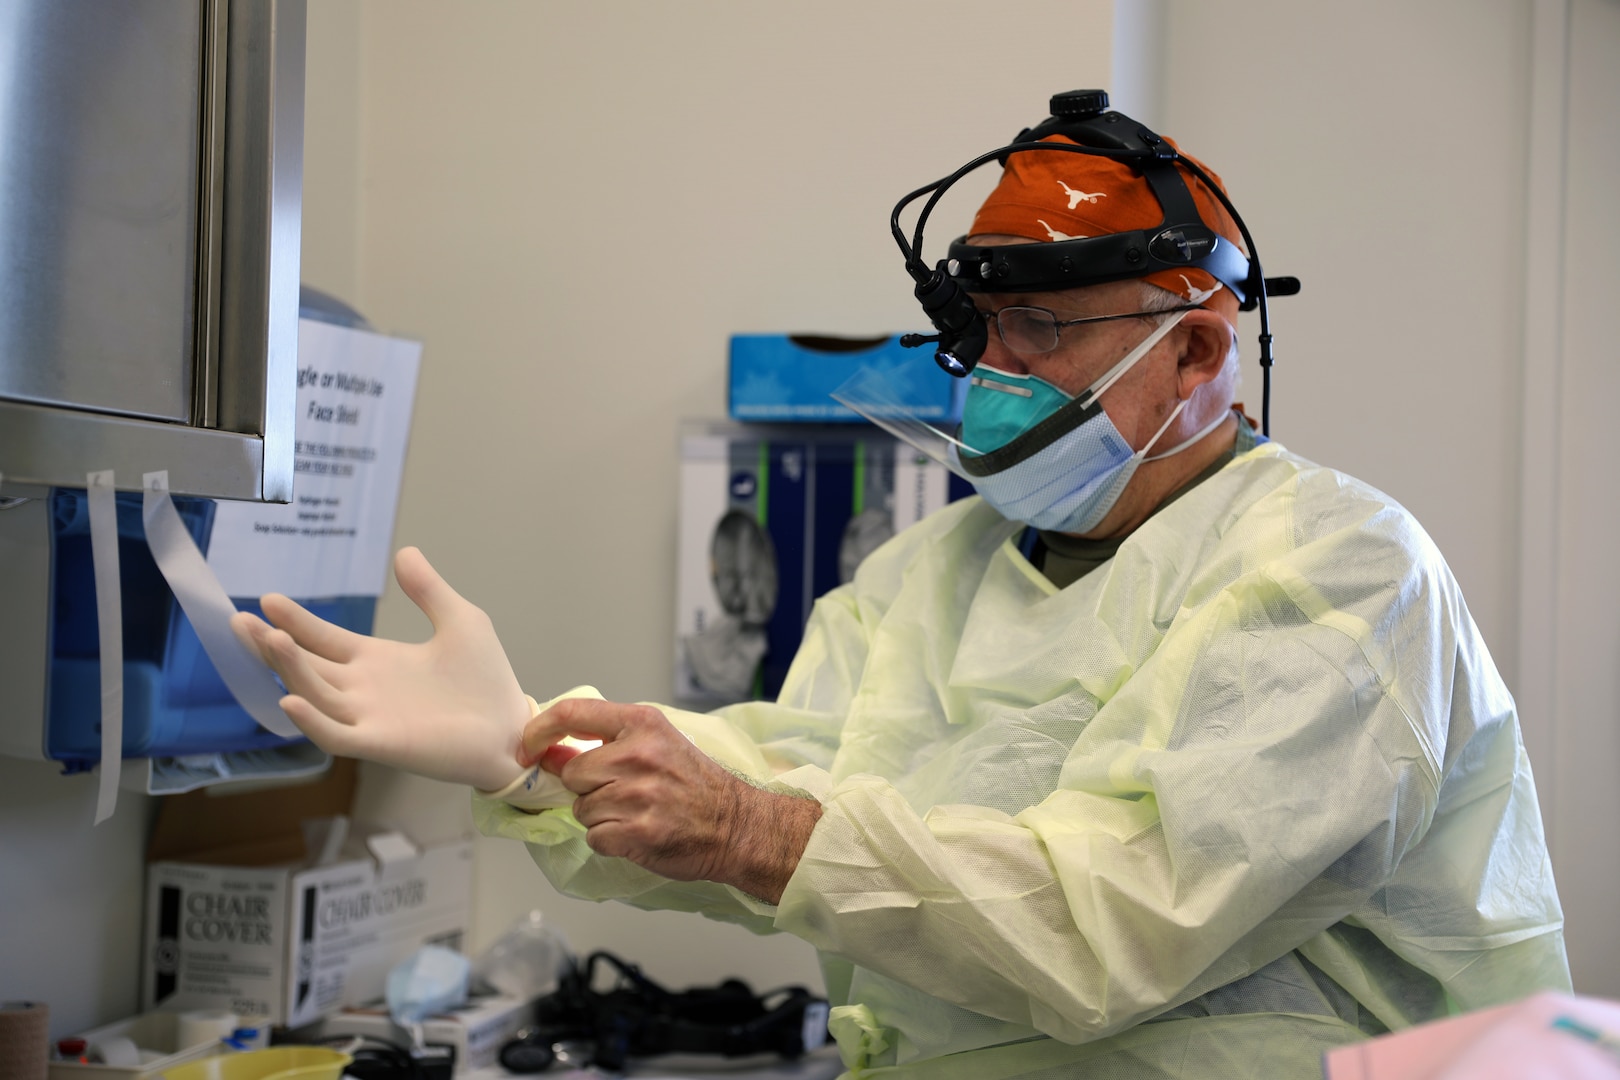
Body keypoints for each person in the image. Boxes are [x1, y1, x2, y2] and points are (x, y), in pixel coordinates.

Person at [233, 96, 1570, 1078]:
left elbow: (1109, 919)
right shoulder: (935, 570)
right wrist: (532, 747)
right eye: (979, 332)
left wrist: (756, 830)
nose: (991, 371)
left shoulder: (1338, 575)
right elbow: (778, 779)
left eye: (1040, 330)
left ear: (1200, 351)